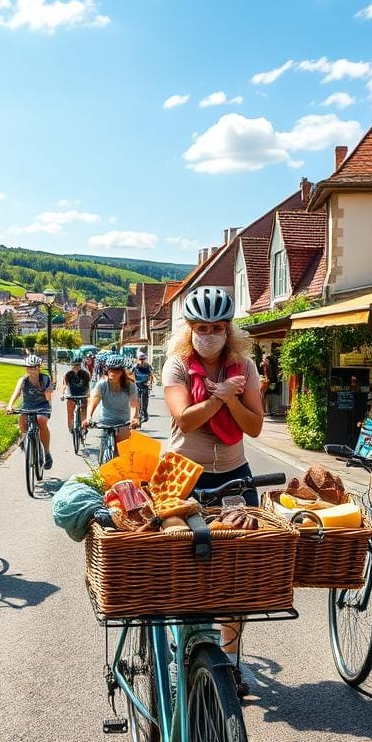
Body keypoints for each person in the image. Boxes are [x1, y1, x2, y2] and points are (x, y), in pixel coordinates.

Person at [162, 286, 264, 687]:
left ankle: (230, 659)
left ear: (229, 329)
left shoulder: (245, 366)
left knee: (235, 571)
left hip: (234, 472)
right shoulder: (178, 365)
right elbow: (184, 419)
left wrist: (230, 398)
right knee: (186, 562)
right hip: (185, 473)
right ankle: (187, 644)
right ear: (189, 329)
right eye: (201, 327)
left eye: (217, 327)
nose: (209, 334)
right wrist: (221, 399)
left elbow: (253, 426)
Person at [6, 354, 54, 469]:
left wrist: (48, 403)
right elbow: (17, 392)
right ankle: (24, 439)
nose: (31, 370)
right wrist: (9, 405)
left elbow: (48, 395)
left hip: (42, 405)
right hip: (28, 405)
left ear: (39, 367)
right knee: (22, 419)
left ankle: (47, 453)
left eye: (34, 367)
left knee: (41, 420)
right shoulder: (23, 380)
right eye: (28, 367)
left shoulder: (45, 379)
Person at [84, 354, 140, 442]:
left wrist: (134, 418)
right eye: (110, 370)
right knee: (104, 449)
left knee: (122, 450)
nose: (113, 373)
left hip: (123, 421)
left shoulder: (130, 385)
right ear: (107, 370)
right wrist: (88, 417)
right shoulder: (102, 384)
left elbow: (134, 403)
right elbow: (94, 399)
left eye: (116, 371)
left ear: (122, 372)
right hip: (105, 420)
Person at [62, 355, 92, 431]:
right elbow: (65, 385)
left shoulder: (86, 373)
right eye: (74, 365)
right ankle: (71, 427)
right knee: (70, 409)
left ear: (81, 364)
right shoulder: (68, 374)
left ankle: (83, 426)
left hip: (82, 394)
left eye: (78, 365)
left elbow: (88, 385)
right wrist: (62, 394)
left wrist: (89, 395)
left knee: (84, 407)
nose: (75, 366)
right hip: (71, 395)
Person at [132, 350, 154, 423]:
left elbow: (151, 375)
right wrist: (133, 382)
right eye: (140, 359)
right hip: (137, 385)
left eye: (143, 359)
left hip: (144, 385)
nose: (141, 361)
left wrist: (150, 384)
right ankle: (138, 415)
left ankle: (145, 414)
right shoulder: (135, 367)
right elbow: (131, 375)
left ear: (145, 359)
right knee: (137, 401)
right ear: (137, 359)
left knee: (144, 401)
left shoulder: (148, 366)